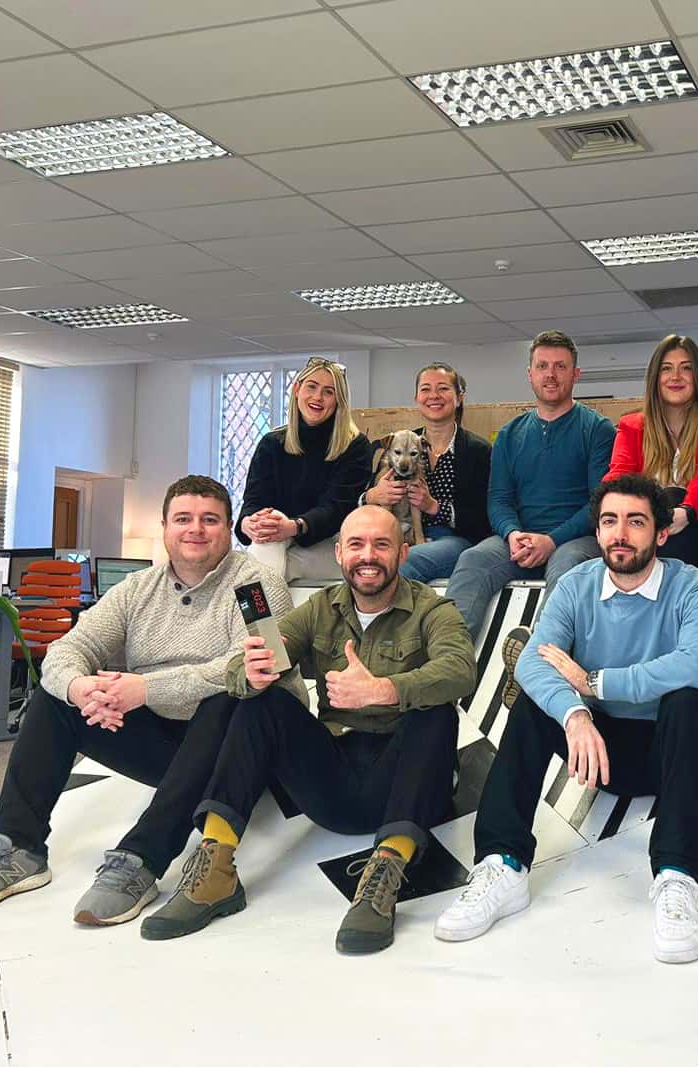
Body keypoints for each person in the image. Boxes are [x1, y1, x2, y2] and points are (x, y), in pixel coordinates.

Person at [0, 476, 291, 926]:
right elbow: (70, 649)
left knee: (229, 698)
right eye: (183, 519)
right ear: (165, 526)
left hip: (240, 754)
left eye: (211, 520)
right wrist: (82, 689)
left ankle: (139, 861)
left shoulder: (255, 585)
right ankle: (18, 848)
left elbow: (257, 667)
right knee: (55, 698)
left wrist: (143, 690)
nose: (196, 530)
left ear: (229, 529)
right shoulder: (135, 589)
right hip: (168, 745)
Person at [141, 505, 477, 953]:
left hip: (406, 783)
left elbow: (460, 671)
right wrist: (253, 670)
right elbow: (252, 659)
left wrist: (383, 690)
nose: (368, 556)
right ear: (339, 553)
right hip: (333, 782)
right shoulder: (321, 609)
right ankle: (217, 866)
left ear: (403, 551)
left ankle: (385, 872)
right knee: (264, 701)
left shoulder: (433, 609)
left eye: (381, 544)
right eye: (356, 545)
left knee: (436, 712)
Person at [435, 474, 698, 964]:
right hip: (602, 751)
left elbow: (692, 665)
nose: (620, 534)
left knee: (687, 700)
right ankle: (502, 865)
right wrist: (574, 714)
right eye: (610, 521)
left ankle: (678, 876)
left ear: (660, 533)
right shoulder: (576, 585)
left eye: (636, 522)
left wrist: (593, 684)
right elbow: (531, 662)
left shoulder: (693, 587)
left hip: (675, 748)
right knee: (532, 704)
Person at [444, 330, 615, 638]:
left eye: (560, 366)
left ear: (576, 374)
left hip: (575, 542)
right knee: (473, 559)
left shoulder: (598, 429)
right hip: (518, 541)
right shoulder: (510, 434)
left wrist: (551, 540)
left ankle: (536, 662)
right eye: (542, 366)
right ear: (530, 374)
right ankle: (447, 663)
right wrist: (512, 534)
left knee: (568, 568)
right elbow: (498, 500)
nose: (550, 374)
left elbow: (599, 503)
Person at [605, 335, 698, 581]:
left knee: (674, 497)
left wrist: (683, 514)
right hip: (649, 535)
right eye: (666, 369)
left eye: (686, 368)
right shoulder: (631, 426)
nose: (676, 377)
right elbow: (618, 480)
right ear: (655, 379)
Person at [237, 356, 372, 581]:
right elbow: (253, 500)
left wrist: (294, 526)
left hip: (331, 542)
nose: (318, 397)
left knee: (255, 570)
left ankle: (254, 618)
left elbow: (336, 509)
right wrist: (248, 523)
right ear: (297, 389)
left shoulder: (355, 446)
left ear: (339, 401)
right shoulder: (272, 443)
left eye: (329, 392)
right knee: (265, 548)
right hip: (277, 539)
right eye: (312, 386)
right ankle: (263, 617)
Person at [363, 361, 492, 582]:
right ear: (416, 398)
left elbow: (483, 518)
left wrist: (433, 507)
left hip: (452, 538)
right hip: (399, 534)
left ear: (459, 397)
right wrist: (371, 496)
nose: (434, 395)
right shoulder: (402, 441)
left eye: (443, 388)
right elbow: (364, 493)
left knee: (403, 561)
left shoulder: (477, 451)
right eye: (425, 389)